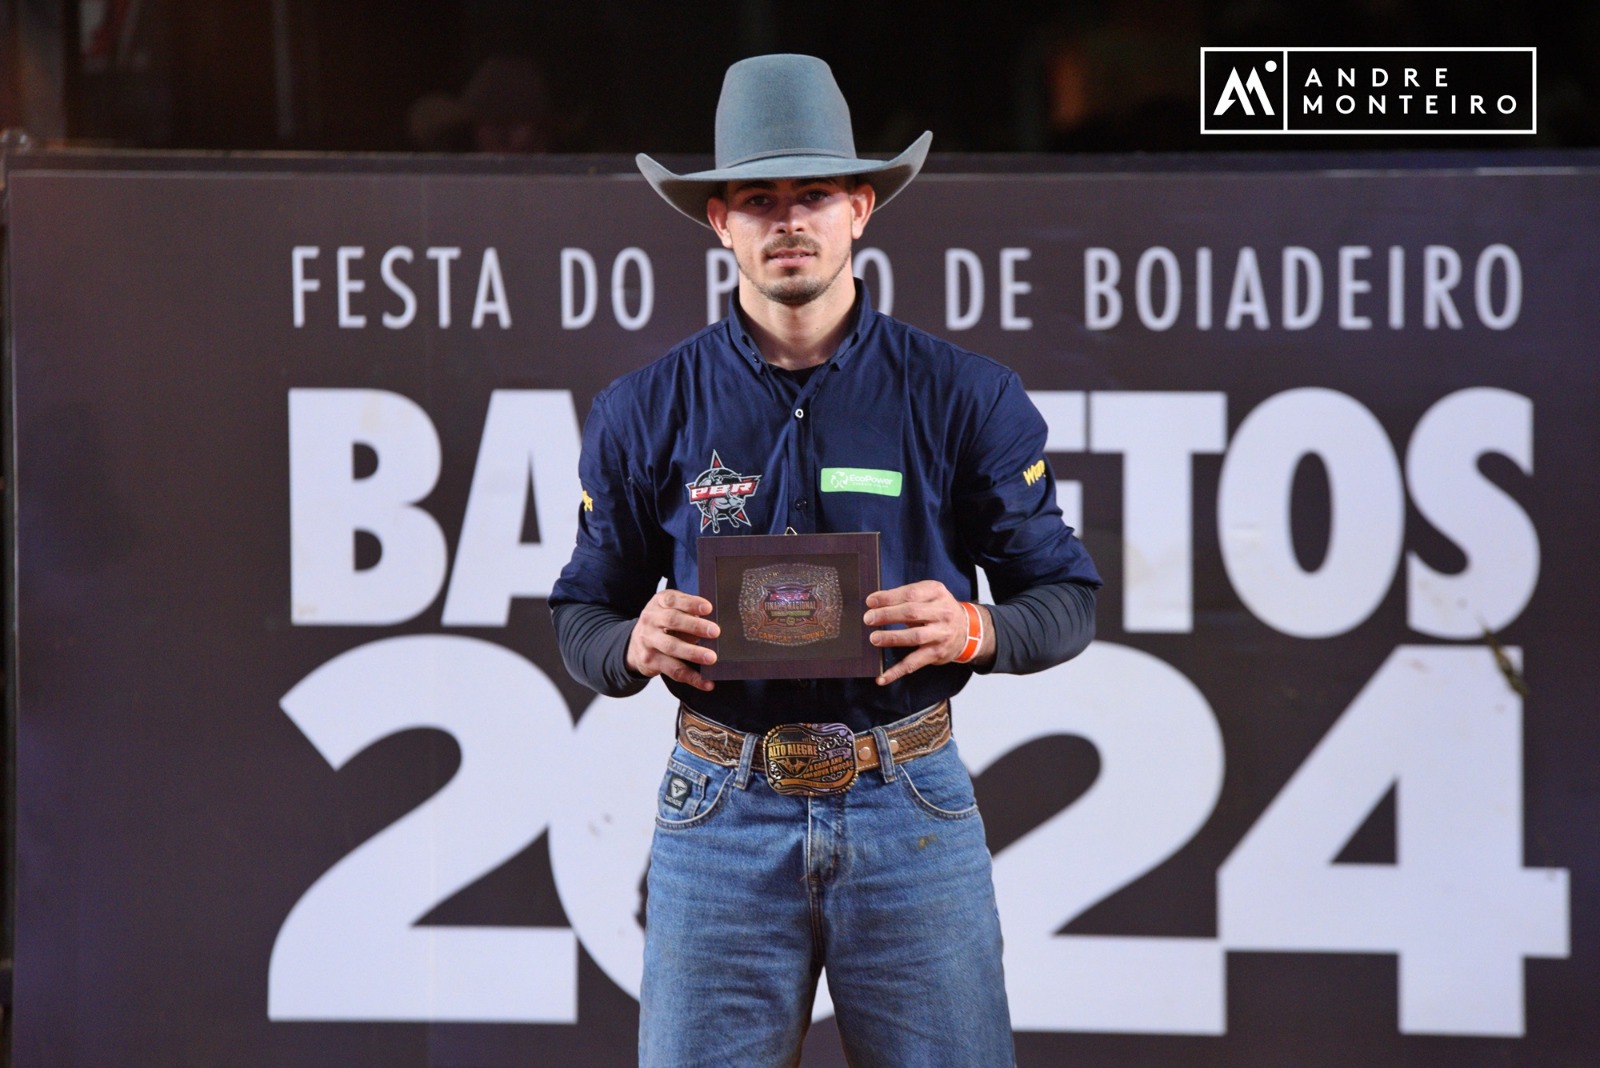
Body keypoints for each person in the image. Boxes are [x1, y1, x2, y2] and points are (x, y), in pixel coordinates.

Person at [550, 53, 1100, 1068]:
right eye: (759, 199)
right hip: (717, 813)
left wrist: (974, 628)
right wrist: (629, 644)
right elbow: (579, 614)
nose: (787, 220)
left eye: (812, 196)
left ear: (860, 208)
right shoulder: (641, 411)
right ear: (719, 223)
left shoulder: (962, 395)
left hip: (910, 804)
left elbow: (1065, 599)